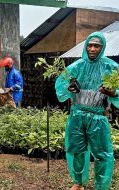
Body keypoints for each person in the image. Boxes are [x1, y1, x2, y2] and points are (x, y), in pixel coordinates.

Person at [55, 31, 119, 190]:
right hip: (77, 116)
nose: (92, 49)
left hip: (98, 117)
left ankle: (101, 186)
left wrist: (113, 93)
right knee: (77, 150)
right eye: (89, 45)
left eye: (96, 46)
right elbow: (61, 88)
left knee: (102, 154)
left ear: (102, 47)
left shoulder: (111, 68)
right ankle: (78, 182)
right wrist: (70, 89)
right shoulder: (76, 67)